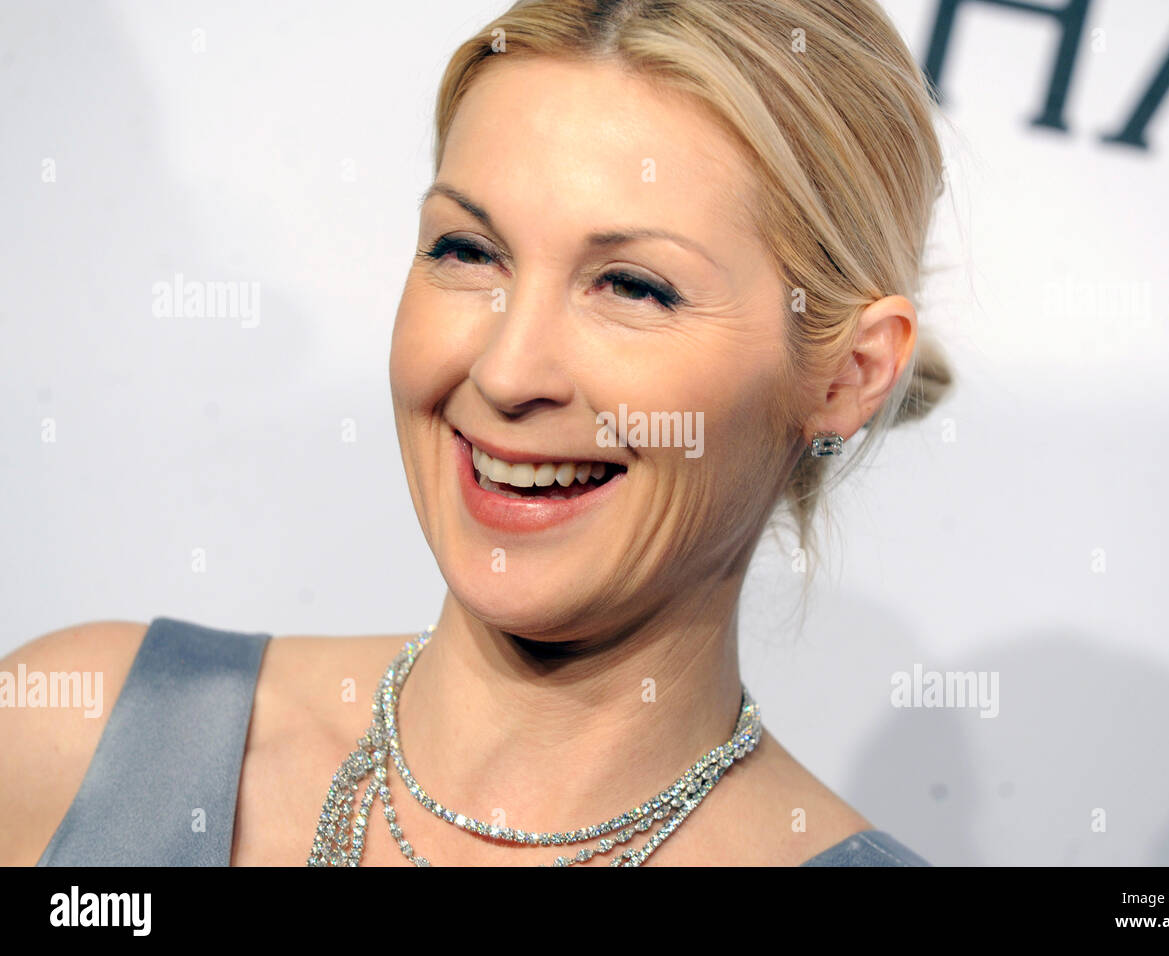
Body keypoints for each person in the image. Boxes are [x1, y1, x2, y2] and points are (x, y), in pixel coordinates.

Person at [1, 0, 952, 867]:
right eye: (468, 251)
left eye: (631, 286)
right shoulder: (80, 739)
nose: (504, 370)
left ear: (848, 374)